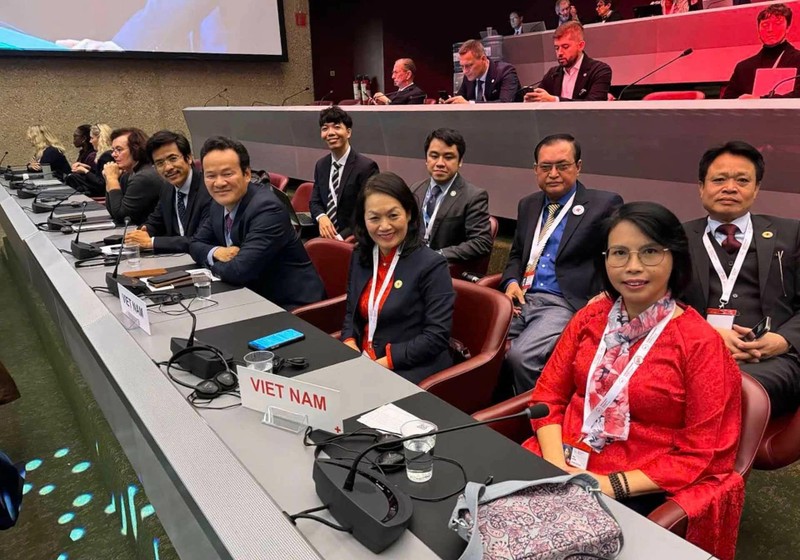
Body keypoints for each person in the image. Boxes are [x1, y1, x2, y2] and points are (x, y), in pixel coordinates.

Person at [524, 202, 743, 560]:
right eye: (620, 253)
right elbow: (549, 396)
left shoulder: (699, 343)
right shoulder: (590, 317)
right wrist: (555, 466)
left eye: (650, 252)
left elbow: (700, 453)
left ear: (675, 259)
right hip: (561, 458)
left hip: (638, 486)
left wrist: (607, 485)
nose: (633, 267)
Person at [683, 141, 800, 418]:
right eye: (719, 179)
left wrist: (782, 340)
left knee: (726, 385)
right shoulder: (677, 237)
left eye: (742, 180)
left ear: (756, 189)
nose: (730, 187)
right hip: (695, 352)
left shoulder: (792, 234)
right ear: (701, 187)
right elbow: (663, 305)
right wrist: (706, 336)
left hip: (771, 358)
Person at [501, 134, 623, 392]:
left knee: (520, 357)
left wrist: (606, 294)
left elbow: (617, 257)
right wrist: (511, 282)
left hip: (563, 302)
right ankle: (493, 404)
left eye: (562, 166)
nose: (553, 173)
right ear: (535, 170)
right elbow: (516, 254)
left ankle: (535, 417)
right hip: (521, 298)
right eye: (545, 167)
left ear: (578, 167)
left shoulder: (603, 205)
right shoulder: (529, 204)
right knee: (479, 343)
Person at [341, 172, 455, 383]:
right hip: (362, 358)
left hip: (410, 367)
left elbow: (436, 337)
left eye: (393, 216)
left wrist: (382, 364)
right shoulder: (360, 256)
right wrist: (348, 343)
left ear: (409, 214)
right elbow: (351, 311)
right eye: (374, 218)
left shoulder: (432, 265)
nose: (384, 226)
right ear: (363, 220)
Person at [189, 136, 325, 310]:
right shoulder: (218, 203)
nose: (219, 183)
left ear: (246, 174)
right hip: (250, 296)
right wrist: (217, 252)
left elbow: (239, 271)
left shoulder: (267, 209)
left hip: (291, 307)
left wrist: (210, 265)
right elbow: (195, 244)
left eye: (227, 174)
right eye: (210, 176)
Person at [409, 128, 493, 269]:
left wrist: (438, 255)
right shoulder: (416, 189)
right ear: (426, 159)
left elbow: (481, 242)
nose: (440, 163)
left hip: (443, 269)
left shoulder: (473, 196)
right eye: (434, 156)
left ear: (460, 161)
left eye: (448, 157)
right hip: (411, 264)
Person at [124, 131, 211, 254]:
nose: (168, 167)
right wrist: (141, 233)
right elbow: (155, 222)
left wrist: (152, 242)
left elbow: (201, 239)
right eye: (160, 163)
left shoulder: (208, 189)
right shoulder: (167, 188)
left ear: (189, 157)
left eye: (173, 158)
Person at [310, 106, 379, 240]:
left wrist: (341, 237)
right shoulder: (321, 165)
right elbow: (315, 201)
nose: (330, 133)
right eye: (325, 128)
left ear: (348, 132)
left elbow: (366, 210)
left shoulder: (366, 167)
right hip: (322, 233)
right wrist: (321, 217)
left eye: (336, 127)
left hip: (351, 238)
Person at [723, 4, 800, 99]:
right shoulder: (743, 68)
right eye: (765, 25)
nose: (770, 30)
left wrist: (761, 100)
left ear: (787, 28)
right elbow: (727, 101)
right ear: (758, 29)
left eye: (777, 24)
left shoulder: (798, 60)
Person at [525, 22, 612, 102]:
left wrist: (555, 100)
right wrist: (532, 100)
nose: (560, 53)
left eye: (565, 47)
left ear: (580, 46)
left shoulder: (599, 70)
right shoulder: (553, 73)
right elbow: (540, 98)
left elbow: (593, 105)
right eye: (556, 48)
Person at [103, 128, 164, 225]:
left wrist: (112, 179)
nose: (113, 154)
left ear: (136, 149)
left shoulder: (144, 177)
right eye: (113, 150)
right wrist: (109, 180)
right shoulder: (127, 175)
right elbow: (113, 211)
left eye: (119, 150)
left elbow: (121, 217)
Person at [444, 40, 521, 104]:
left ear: (483, 59)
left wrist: (470, 104)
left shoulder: (506, 71)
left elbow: (505, 103)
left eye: (469, 65)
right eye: (462, 66)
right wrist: (451, 102)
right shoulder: (469, 75)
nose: (464, 71)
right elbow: (461, 99)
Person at [68, 123, 114, 197]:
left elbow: (101, 183)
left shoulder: (106, 156)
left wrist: (85, 171)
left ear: (100, 138)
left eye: (92, 138)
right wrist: (87, 167)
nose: (90, 141)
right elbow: (99, 174)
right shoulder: (104, 154)